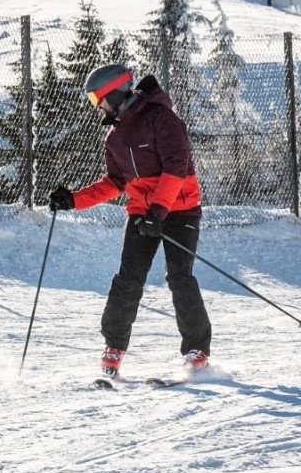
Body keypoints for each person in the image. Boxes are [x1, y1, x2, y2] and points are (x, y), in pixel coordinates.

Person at [50, 64, 212, 380]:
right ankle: (114, 347)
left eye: (97, 98)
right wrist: (73, 200)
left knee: (179, 276)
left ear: (114, 92)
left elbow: (176, 168)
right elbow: (115, 181)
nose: (97, 105)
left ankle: (197, 351)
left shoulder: (163, 120)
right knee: (128, 278)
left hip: (180, 209)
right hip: (143, 212)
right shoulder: (115, 136)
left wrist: (159, 212)